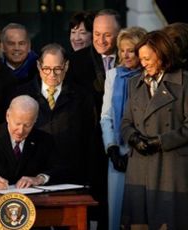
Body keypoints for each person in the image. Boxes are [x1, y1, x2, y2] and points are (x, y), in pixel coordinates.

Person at [121, 30, 188, 229]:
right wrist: (133, 138)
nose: (143, 63)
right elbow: (125, 121)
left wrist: (161, 141)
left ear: (162, 54)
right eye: (140, 58)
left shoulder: (184, 82)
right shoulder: (134, 83)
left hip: (170, 168)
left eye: (147, 58)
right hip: (139, 168)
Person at [66, 9, 122, 229]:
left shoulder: (130, 57)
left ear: (119, 34)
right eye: (97, 34)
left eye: (107, 35)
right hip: (89, 144)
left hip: (122, 141)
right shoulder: (76, 61)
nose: (100, 40)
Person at [16, 43, 96, 186]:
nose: (52, 75)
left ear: (66, 66)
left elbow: (89, 138)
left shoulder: (82, 96)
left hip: (72, 175)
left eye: (57, 69)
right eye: (46, 69)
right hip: (30, 176)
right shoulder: (22, 94)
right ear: (39, 66)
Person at [100, 26, 147, 230]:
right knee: (115, 212)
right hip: (117, 151)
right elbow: (106, 115)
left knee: (141, 213)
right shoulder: (112, 75)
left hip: (142, 152)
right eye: (122, 50)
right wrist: (111, 147)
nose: (125, 55)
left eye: (131, 50)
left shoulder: (149, 75)